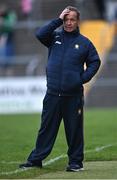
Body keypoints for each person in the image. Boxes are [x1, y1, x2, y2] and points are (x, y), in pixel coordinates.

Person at [19, 6, 101, 172]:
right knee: (45, 129)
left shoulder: (84, 43)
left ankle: (75, 163)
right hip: (52, 95)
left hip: (73, 96)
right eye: (66, 19)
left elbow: (95, 62)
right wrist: (57, 19)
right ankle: (36, 160)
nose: (69, 23)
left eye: (72, 19)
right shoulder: (54, 36)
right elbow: (40, 34)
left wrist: (81, 79)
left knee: (74, 131)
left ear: (78, 21)